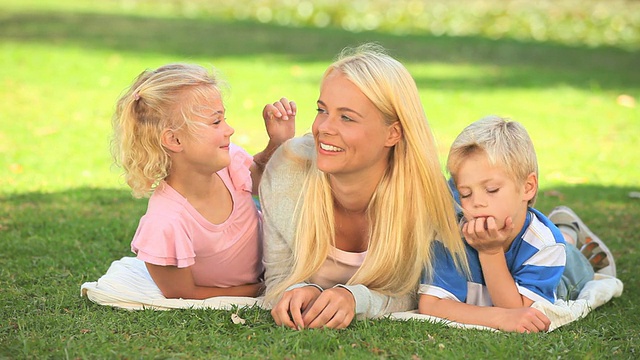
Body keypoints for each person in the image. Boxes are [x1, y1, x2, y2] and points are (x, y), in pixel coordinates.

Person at [259, 43, 469, 330]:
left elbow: (420, 292)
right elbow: (278, 278)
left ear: (393, 132)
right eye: (322, 110)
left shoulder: (426, 200)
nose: (324, 128)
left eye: (346, 117)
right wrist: (295, 291)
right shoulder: (288, 172)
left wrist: (356, 299)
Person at [110, 63, 295, 299]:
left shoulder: (228, 163)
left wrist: (278, 143)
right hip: (264, 279)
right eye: (216, 122)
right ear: (175, 139)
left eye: (224, 118)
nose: (230, 129)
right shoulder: (166, 222)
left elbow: (261, 180)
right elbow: (182, 292)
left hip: (274, 259)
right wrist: (266, 288)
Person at [418, 116, 616, 332]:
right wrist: (496, 318)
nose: (477, 202)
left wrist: (490, 252)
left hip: (565, 271)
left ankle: (568, 232)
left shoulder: (546, 245)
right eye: (465, 193)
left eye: (492, 190)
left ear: (528, 187)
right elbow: (431, 304)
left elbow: (516, 312)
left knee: (573, 264)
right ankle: (564, 226)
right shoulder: (452, 234)